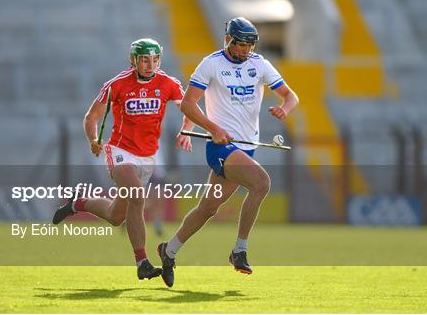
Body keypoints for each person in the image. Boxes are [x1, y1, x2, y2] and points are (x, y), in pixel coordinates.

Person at [157, 17, 299, 287]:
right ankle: (239, 250)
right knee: (261, 183)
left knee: (208, 208)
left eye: (249, 45)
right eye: (240, 44)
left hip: (246, 148)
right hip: (220, 147)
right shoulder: (211, 64)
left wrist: (285, 109)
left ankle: (169, 249)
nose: (245, 50)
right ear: (228, 40)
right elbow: (188, 104)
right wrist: (213, 128)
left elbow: (291, 96)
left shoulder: (260, 65)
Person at [52, 38, 193, 280]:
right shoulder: (116, 85)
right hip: (120, 151)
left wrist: (185, 129)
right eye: (145, 60)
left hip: (147, 156)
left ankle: (77, 203)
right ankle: (142, 262)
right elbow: (91, 118)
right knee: (137, 196)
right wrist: (93, 141)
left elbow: (188, 108)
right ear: (134, 60)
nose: (150, 65)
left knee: (116, 216)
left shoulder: (168, 84)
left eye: (155, 59)